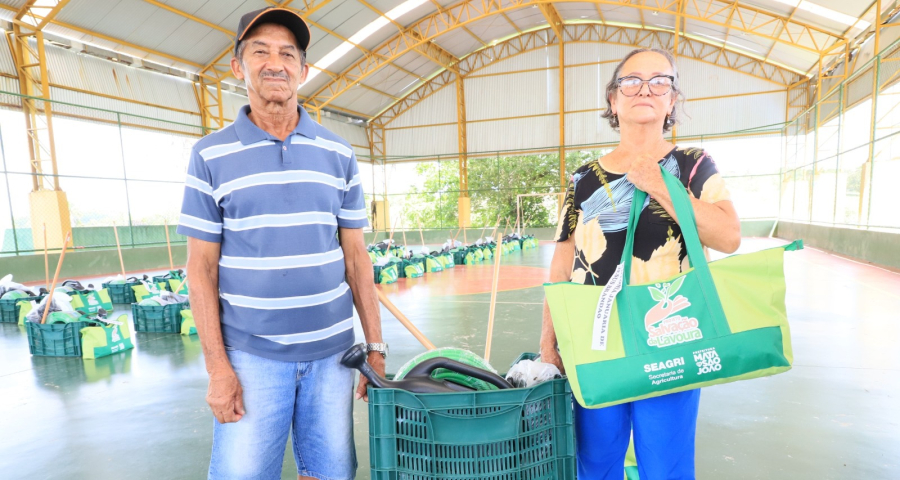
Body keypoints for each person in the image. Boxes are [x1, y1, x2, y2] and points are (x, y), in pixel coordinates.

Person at [176, 7, 385, 480]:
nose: (276, 63)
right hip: (251, 357)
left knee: (332, 473)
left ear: (303, 70)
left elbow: (356, 258)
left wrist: (375, 347)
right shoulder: (210, 154)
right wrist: (218, 369)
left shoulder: (338, 153)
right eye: (260, 52)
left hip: (334, 355)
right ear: (238, 66)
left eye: (287, 54)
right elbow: (200, 269)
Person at [540, 48, 741, 479]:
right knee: (594, 462)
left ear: (672, 101)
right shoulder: (583, 180)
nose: (645, 89)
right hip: (595, 339)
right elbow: (562, 264)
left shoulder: (693, 166)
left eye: (660, 81)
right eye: (631, 81)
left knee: (665, 465)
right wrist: (547, 343)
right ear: (613, 101)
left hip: (670, 334)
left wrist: (661, 185)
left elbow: (728, 236)